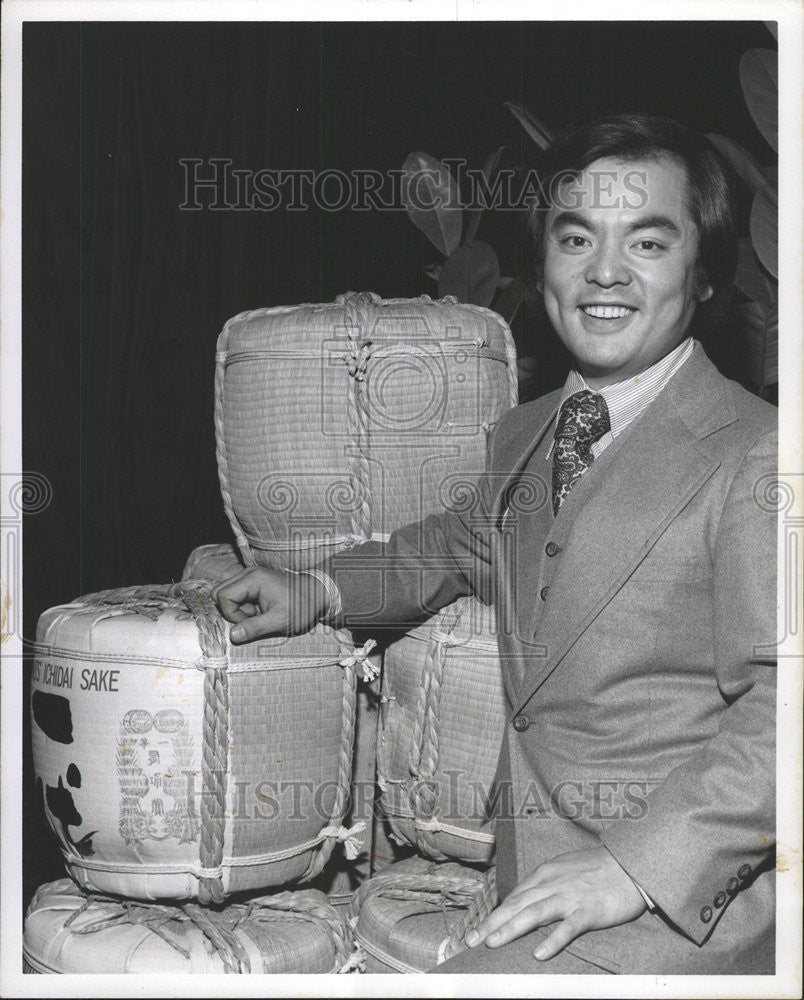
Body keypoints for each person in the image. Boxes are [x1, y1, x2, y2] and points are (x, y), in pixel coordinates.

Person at [214, 113, 777, 975]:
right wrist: (318, 591)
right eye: (576, 237)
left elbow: (789, 714)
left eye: (650, 244)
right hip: (530, 887)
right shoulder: (527, 434)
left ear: (704, 277)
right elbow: (454, 546)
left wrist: (635, 867)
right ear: (544, 262)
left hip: (669, 917)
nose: (605, 273)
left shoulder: (758, 450)